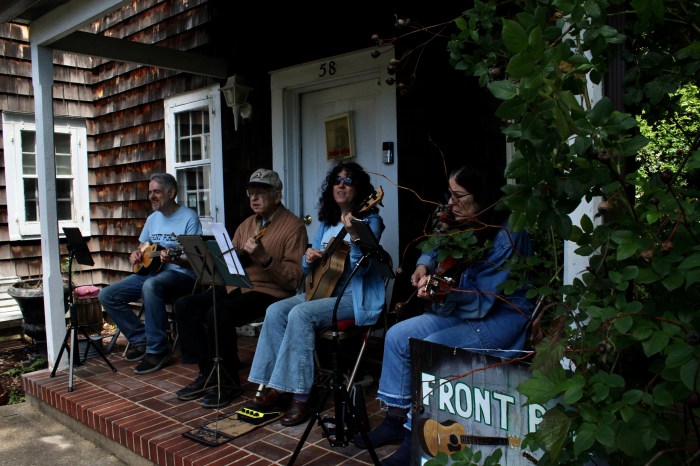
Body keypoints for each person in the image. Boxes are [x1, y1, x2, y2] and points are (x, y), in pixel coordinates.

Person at [354, 165, 534, 465]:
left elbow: (483, 298)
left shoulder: (508, 233)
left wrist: (442, 293)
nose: (450, 203)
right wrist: (424, 266)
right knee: (399, 336)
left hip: (501, 315)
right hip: (462, 306)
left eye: (458, 195)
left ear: (484, 197)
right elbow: (435, 245)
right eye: (448, 194)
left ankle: (417, 438)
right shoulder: (461, 220)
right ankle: (395, 421)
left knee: (434, 349)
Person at [247, 161, 386, 427]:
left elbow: (365, 266)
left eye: (348, 181)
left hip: (353, 296)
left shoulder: (371, 221)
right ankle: (274, 386)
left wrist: (354, 235)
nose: (341, 185)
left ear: (360, 189)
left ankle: (300, 396)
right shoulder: (327, 221)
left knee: (300, 314)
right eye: (337, 180)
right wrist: (308, 258)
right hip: (322, 291)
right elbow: (307, 266)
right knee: (274, 311)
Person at [173, 168, 308, 409]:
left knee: (219, 313)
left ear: (277, 196)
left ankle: (228, 382)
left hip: (271, 292)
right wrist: (226, 258)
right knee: (186, 305)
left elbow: (293, 279)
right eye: (251, 193)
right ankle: (207, 372)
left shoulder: (293, 227)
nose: (254, 198)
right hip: (239, 286)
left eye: (261, 193)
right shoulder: (246, 225)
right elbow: (230, 262)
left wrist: (264, 257)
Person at [99, 172, 202, 374]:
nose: (151, 196)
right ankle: (141, 339)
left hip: (181, 274)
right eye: (150, 192)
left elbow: (193, 260)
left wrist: (173, 258)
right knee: (107, 295)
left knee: (151, 285)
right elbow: (143, 247)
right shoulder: (152, 219)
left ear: (171, 192)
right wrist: (136, 256)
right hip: (151, 273)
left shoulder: (189, 217)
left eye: (156, 192)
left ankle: (158, 350)